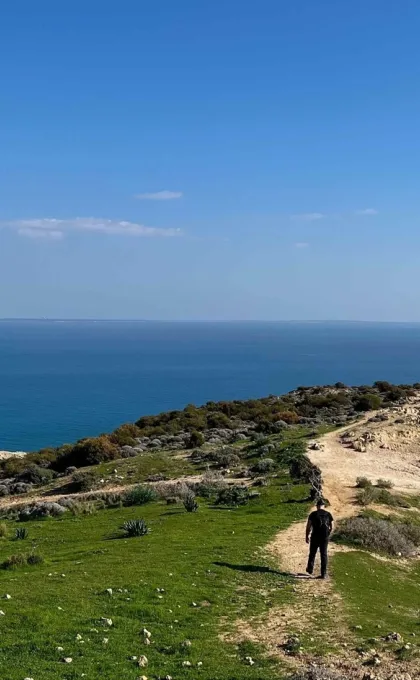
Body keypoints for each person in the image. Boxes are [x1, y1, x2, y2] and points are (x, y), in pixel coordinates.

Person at [305, 498, 333, 579]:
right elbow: (332, 526)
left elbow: (308, 527)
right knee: (323, 554)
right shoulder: (328, 514)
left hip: (315, 536)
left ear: (317, 506)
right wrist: (328, 534)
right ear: (324, 506)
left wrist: (307, 536)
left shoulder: (313, 514)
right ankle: (323, 573)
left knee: (312, 553)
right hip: (324, 537)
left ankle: (310, 569)